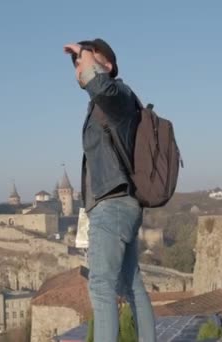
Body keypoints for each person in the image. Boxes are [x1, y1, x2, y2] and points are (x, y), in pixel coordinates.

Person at [63, 39, 156, 342]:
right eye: (77, 62)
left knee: (101, 286)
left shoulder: (116, 95)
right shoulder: (109, 103)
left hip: (112, 203)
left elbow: (100, 86)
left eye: (88, 59)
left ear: (109, 66)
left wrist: (85, 55)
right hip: (120, 202)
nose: (80, 64)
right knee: (131, 284)